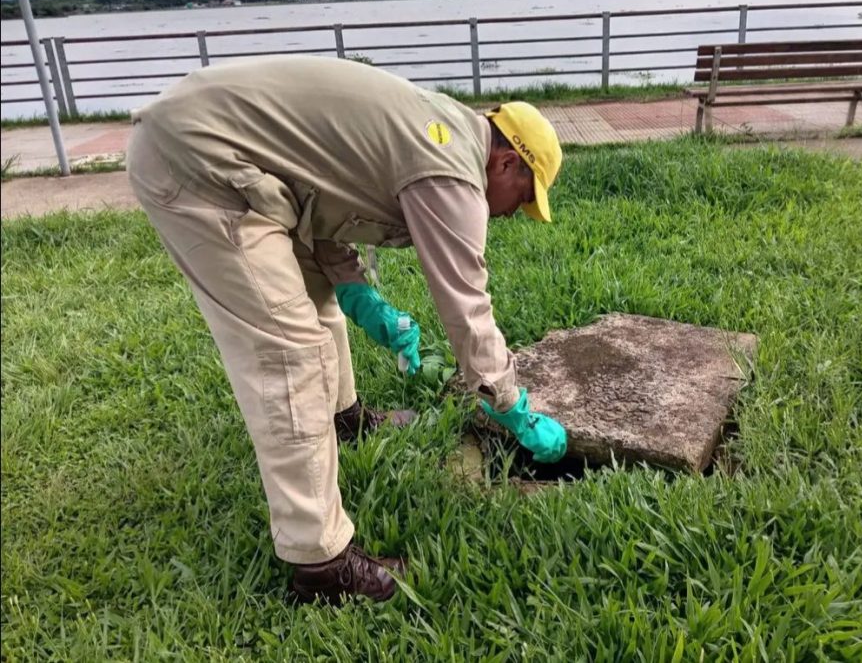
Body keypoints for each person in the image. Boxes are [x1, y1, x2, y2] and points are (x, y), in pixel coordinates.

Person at [125, 55, 568, 605]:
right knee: (290, 353)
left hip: (227, 147)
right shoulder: (453, 174)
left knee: (320, 304)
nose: (512, 214)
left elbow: (320, 190)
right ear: (506, 162)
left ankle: (342, 418)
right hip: (201, 162)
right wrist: (510, 403)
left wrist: (355, 288)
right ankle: (321, 564)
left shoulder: (443, 130)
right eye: (523, 199)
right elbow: (467, 308)